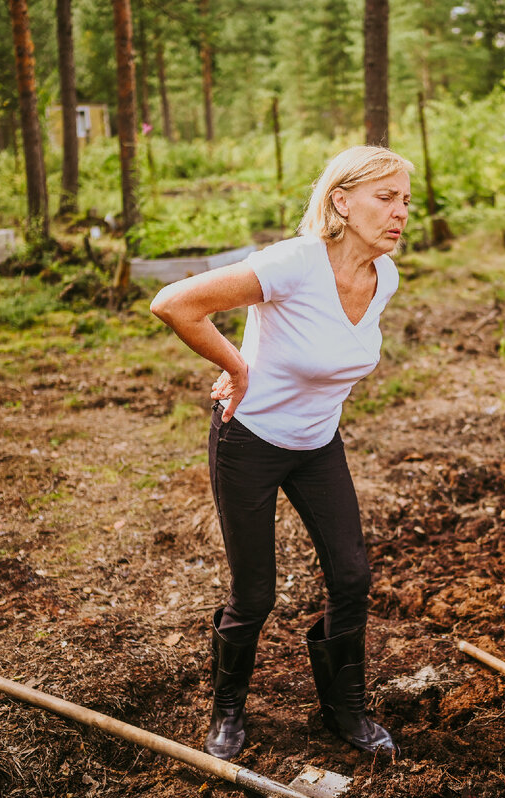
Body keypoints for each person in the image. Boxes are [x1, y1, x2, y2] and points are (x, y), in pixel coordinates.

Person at [150, 145, 412, 761]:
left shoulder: (385, 278)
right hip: (250, 441)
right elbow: (174, 302)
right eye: (385, 197)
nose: (400, 212)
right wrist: (235, 366)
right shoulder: (295, 263)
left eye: (405, 201)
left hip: (318, 445)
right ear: (341, 202)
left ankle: (345, 710)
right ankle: (228, 712)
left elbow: (334, 362)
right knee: (255, 593)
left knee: (351, 577)